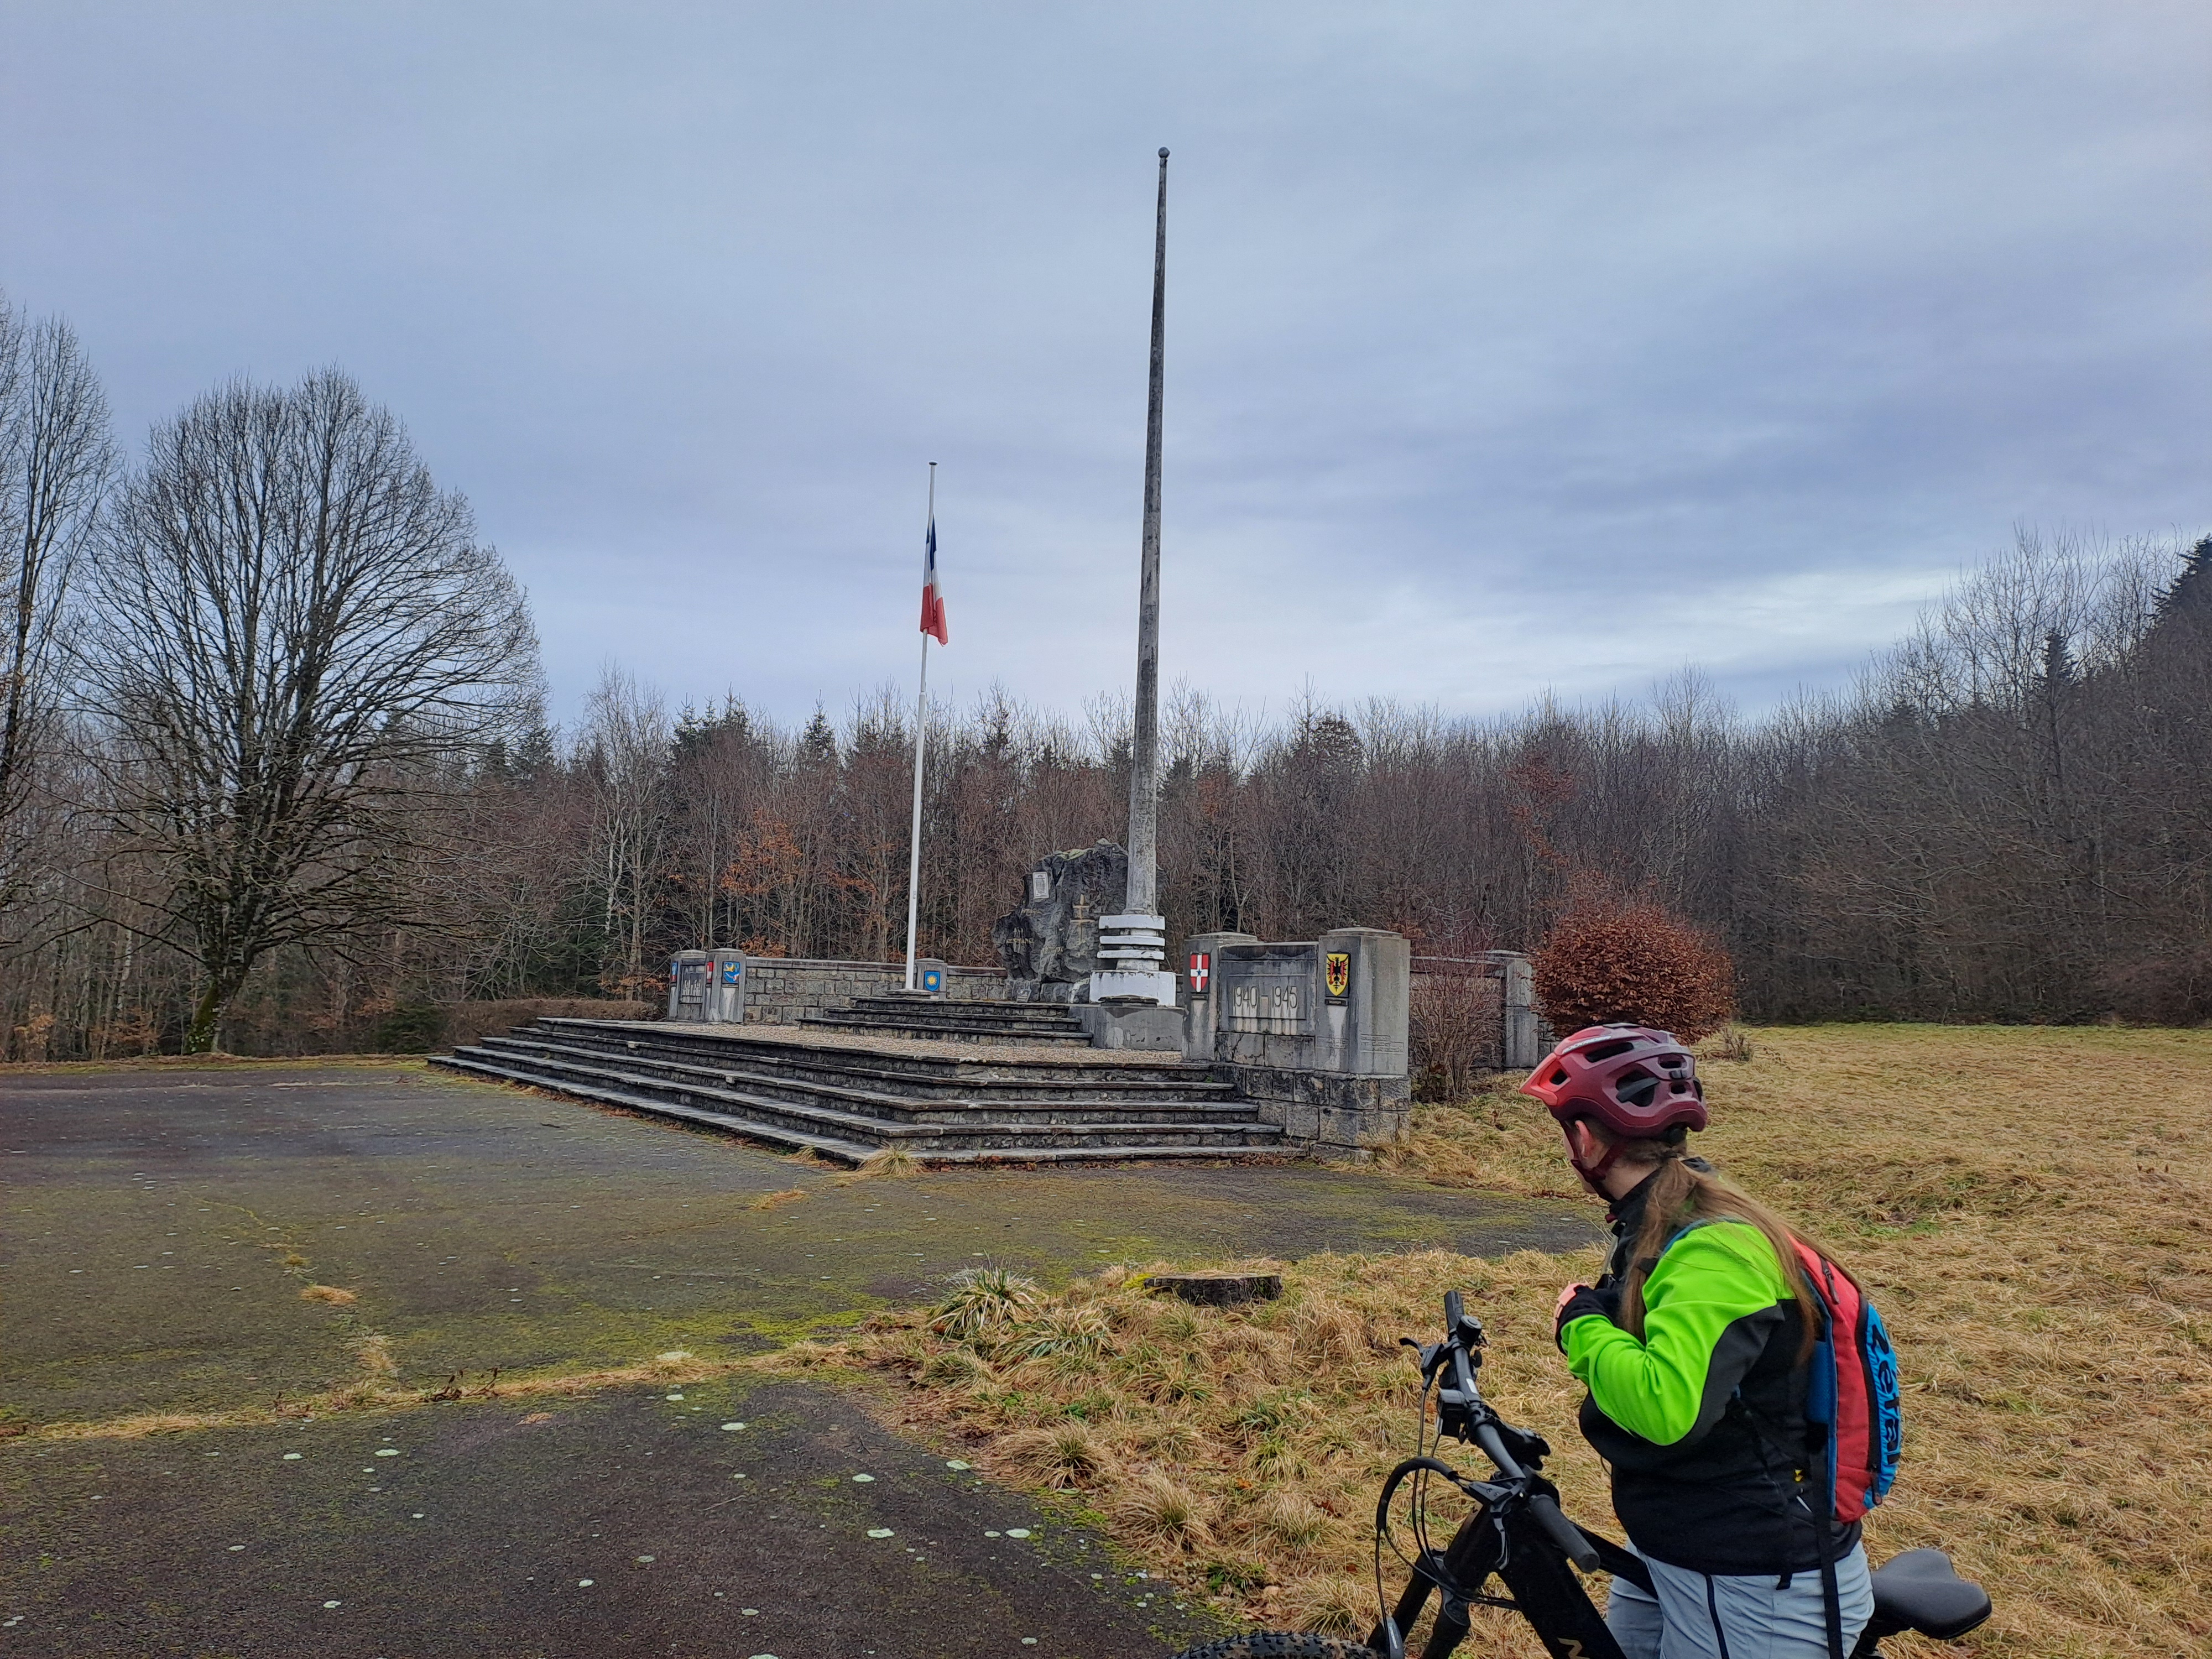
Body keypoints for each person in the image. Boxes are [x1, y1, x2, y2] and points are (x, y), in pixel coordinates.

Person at [1520, 1024, 1875, 1659]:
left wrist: (1580, 1327)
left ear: (1583, 1137)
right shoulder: (1666, 1217)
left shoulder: (1715, 1249)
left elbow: (1665, 1408)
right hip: (1679, 1540)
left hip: (1751, 1577)